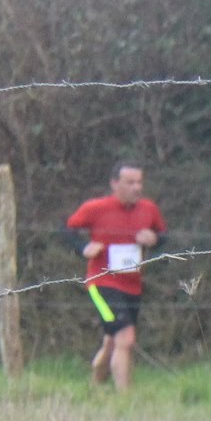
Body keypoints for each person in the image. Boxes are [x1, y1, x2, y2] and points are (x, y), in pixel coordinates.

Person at [63, 162, 166, 392]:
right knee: (125, 337)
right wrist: (83, 247)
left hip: (132, 286)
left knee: (113, 341)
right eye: (130, 182)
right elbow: (66, 229)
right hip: (100, 284)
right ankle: (125, 398)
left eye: (139, 182)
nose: (137, 187)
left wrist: (154, 240)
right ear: (114, 184)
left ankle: (95, 386)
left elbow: (163, 235)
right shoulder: (96, 208)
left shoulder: (149, 209)